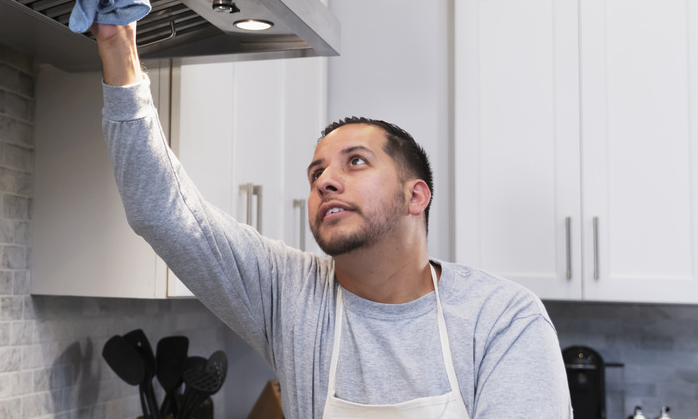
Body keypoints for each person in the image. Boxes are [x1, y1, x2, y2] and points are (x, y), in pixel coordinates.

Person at [93, 22, 573, 418]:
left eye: (356, 162)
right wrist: (119, 48)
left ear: (416, 196)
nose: (325, 181)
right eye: (316, 172)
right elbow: (163, 211)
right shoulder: (290, 295)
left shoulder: (501, 320)